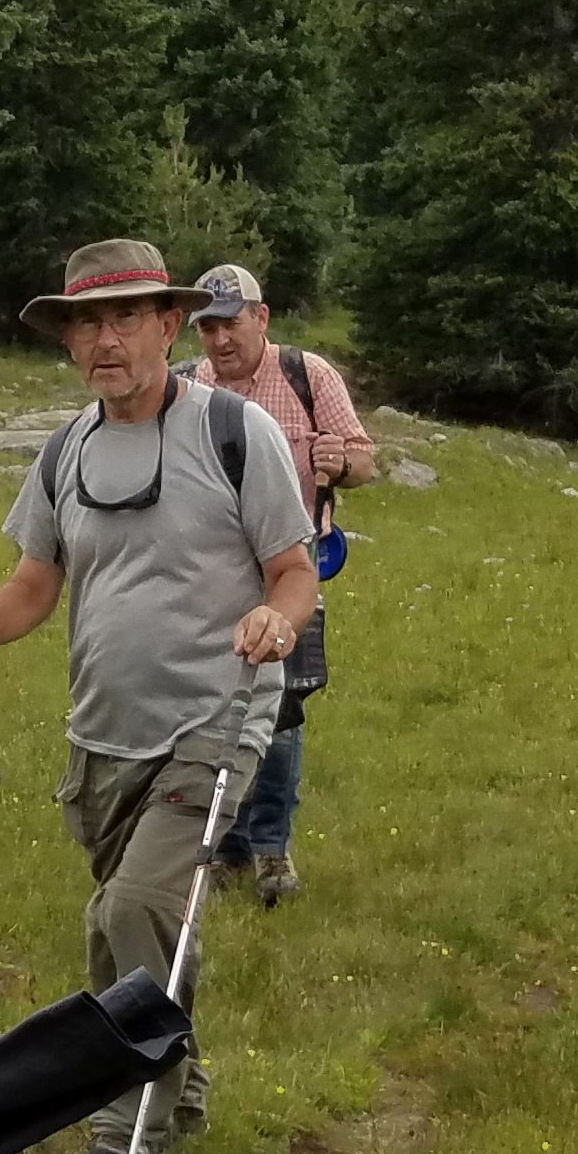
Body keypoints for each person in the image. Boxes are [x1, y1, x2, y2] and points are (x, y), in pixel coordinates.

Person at [0, 237, 318, 1154]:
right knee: (151, 928)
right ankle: (182, 1085)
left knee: (130, 911)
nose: (106, 339)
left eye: (127, 316)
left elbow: (294, 572)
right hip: (102, 736)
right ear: (68, 342)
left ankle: (124, 1134)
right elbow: (35, 580)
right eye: (86, 322)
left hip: (216, 719)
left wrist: (276, 621)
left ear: (168, 326)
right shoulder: (66, 451)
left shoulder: (234, 434)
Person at [187, 261, 374, 907]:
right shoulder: (188, 388)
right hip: (209, 579)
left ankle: (270, 848)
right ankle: (225, 847)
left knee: (282, 715)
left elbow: (364, 459)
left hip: (291, 573)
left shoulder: (307, 375)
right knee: (213, 714)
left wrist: (341, 463)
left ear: (261, 318)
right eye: (206, 328)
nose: (218, 341)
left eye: (230, 324)